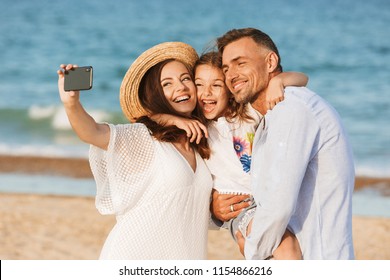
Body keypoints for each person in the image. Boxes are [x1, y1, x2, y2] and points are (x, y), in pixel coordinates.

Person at [56, 42, 214, 260]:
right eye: (167, 84)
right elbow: (92, 132)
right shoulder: (145, 138)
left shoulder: (202, 142)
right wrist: (71, 104)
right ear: (155, 95)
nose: (181, 87)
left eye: (185, 78)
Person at [215, 27, 355, 260]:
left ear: (270, 62)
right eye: (226, 68)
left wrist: (251, 250)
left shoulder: (291, 109)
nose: (231, 75)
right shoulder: (270, 116)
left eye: (240, 63)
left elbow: (277, 206)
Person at [154, 51, 307, 259]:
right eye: (199, 84)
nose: (206, 93)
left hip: (273, 199)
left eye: (216, 85)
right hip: (243, 207)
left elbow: (303, 79)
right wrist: (177, 121)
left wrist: (278, 81)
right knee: (286, 246)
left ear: (229, 88)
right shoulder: (197, 130)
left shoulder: (250, 113)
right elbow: (146, 117)